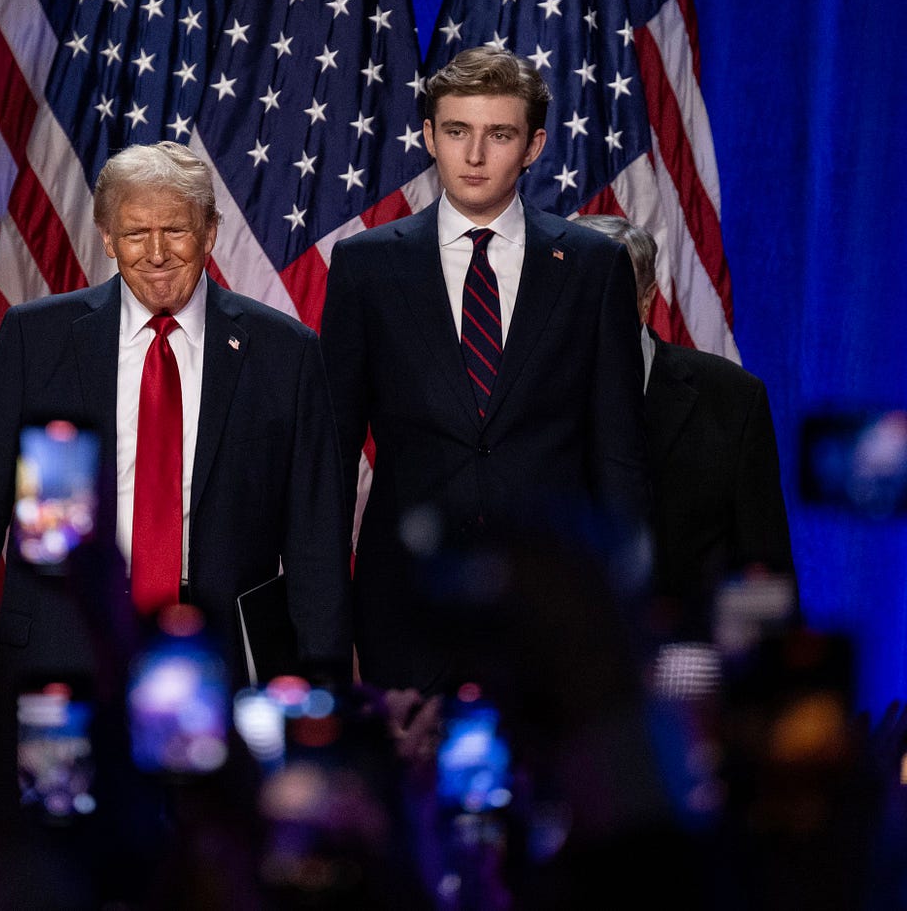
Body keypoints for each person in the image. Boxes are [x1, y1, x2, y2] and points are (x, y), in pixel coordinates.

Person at [0, 141, 351, 683]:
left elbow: (316, 543)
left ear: (209, 232)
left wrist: (325, 694)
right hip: (62, 649)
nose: (156, 252)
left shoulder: (284, 352)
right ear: (107, 238)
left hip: (217, 656)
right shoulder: (36, 340)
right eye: (134, 233)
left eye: (175, 229)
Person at [322, 46, 649, 690]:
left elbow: (618, 456)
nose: (474, 156)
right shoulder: (365, 265)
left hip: (553, 603)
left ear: (532, 146)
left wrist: (623, 607)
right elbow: (331, 452)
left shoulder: (591, 266)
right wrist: (325, 613)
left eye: (498, 134)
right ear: (428, 136)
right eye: (456, 132)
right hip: (405, 601)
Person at [575, 214, 794, 636]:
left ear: (646, 299)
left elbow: (762, 574)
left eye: (610, 289)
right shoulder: (509, 394)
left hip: (684, 669)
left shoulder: (731, 398)